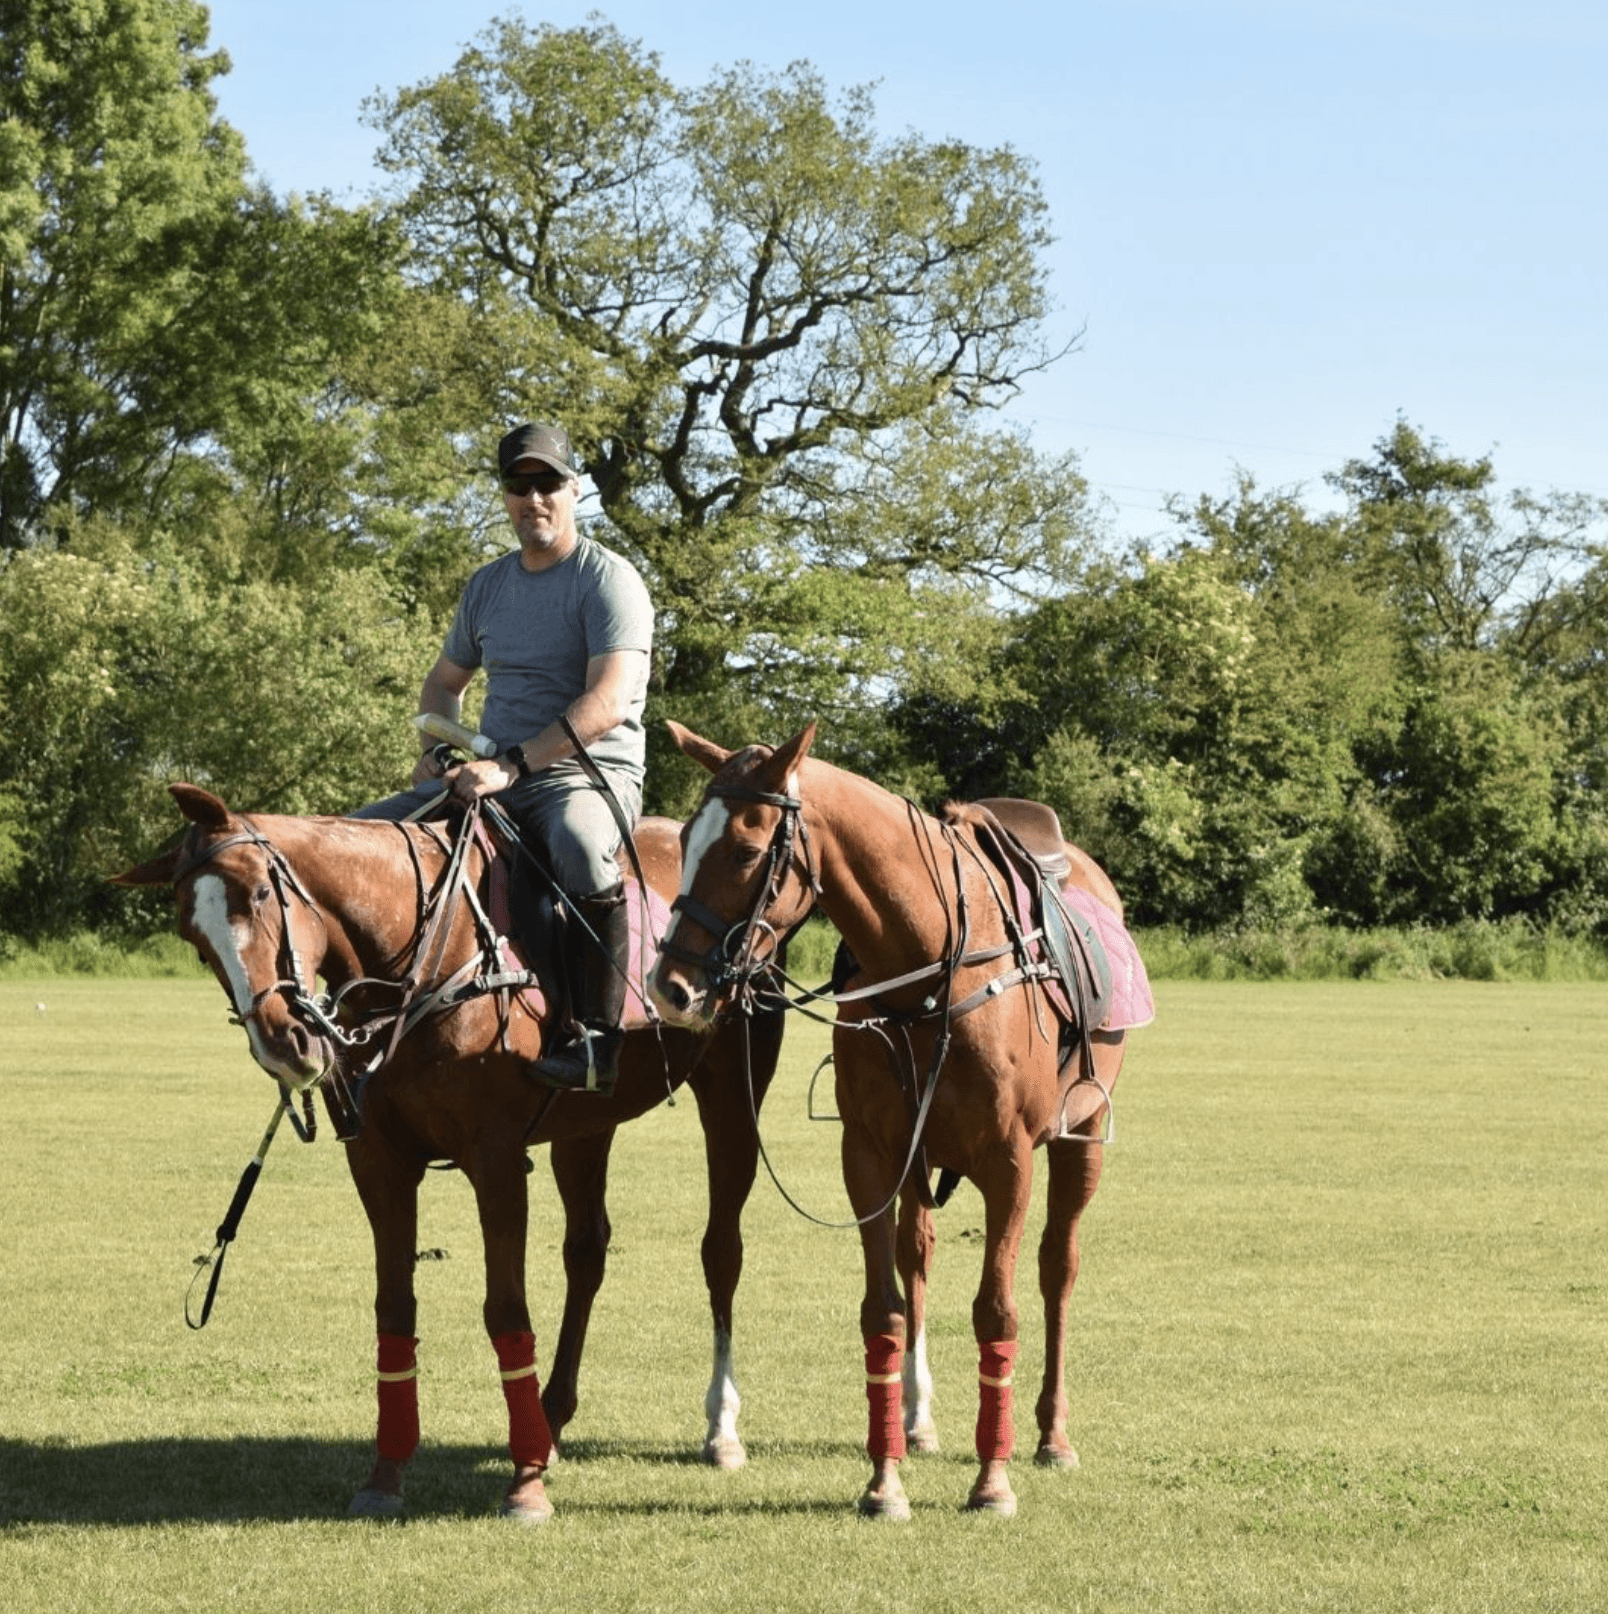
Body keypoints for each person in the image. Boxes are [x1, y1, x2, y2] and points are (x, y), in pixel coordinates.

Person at [353, 422, 653, 1097]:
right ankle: (355, 1035)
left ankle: (596, 1041)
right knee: (360, 840)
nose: (533, 498)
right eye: (519, 486)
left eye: (547, 482)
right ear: (506, 496)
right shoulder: (487, 587)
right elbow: (443, 684)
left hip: (586, 775)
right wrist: (435, 749)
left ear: (575, 489)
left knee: (578, 846)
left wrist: (515, 766)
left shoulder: (608, 581)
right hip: (494, 773)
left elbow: (608, 701)